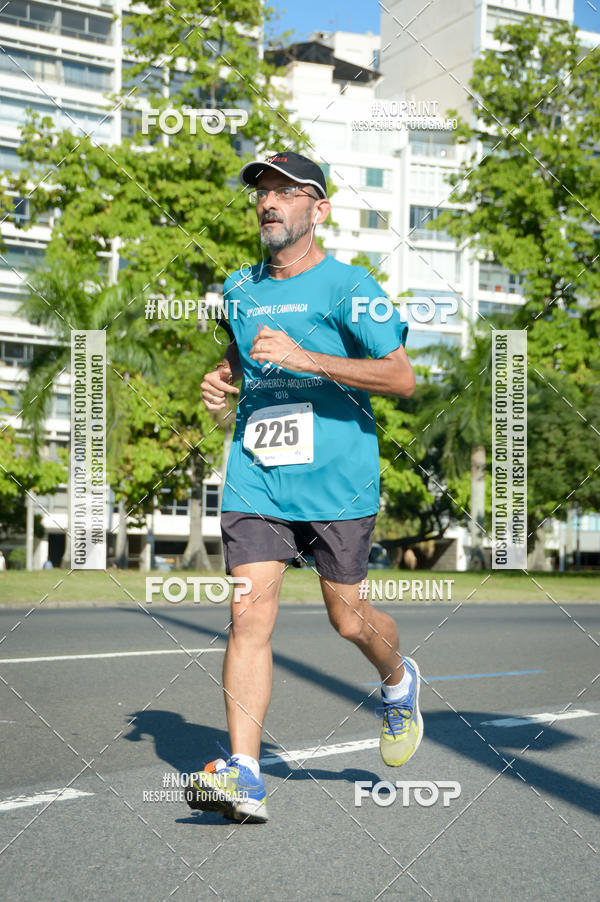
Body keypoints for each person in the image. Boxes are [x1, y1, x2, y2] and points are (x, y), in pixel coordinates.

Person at [187, 152, 421, 824]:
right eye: (262, 192)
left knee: (347, 618)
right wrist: (222, 376)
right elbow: (245, 346)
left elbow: (400, 377)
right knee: (247, 620)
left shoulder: (352, 286)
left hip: (339, 482)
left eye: (288, 192)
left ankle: (398, 683)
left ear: (318, 210)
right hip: (257, 478)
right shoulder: (237, 286)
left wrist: (306, 359)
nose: (270, 202)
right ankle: (247, 775)